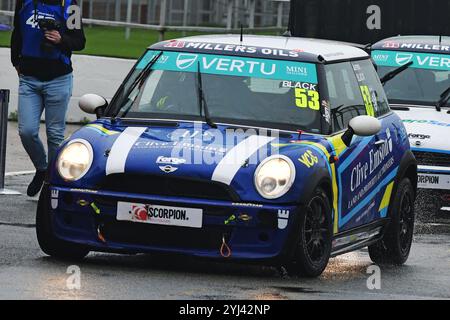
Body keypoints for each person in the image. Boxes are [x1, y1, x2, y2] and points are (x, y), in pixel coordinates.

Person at [10, 0, 85, 196]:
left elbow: (80, 41)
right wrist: (15, 61)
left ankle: (52, 181)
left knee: (55, 135)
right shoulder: (24, 2)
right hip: (29, 79)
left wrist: (61, 40)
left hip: (59, 79)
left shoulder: (69, 4)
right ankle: (42, 168)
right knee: (26, 130)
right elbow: (17, 32)